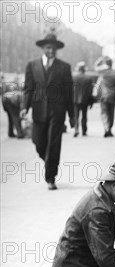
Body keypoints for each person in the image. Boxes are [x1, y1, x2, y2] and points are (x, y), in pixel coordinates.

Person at [20, 33, 75, 190]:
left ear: (57, 49)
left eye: (54, 48)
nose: (51, 51)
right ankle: (50, 161)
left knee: (54, 144)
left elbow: (68, 92)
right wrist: (25, 107)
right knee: (38, 142)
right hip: (38, 110)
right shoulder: (32, 65)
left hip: (58, 111)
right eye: (48, 48)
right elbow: (28, 89)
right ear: (43, 48)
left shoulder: (64, 67)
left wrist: (71, 115)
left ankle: (50, 177)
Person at [94, 56, 115, 137]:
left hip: (103, 96)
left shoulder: (102, 72)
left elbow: (95, 66)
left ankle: (106, 128)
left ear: (105, 64)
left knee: (104, 113)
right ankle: (109, 128)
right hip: (112, 96)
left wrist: (100, 59)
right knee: (111, 113)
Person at [72, 61, 95, 137]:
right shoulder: (88, 78)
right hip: (85, 100)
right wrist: (91, 102)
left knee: (76, 116)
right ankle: (84, 130)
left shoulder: (74, 77)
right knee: (84, 115)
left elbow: (71, 89)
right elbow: (90, 91)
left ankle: (76, 129)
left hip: (75, 100)